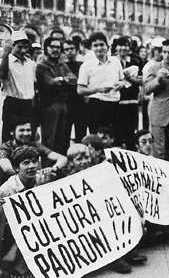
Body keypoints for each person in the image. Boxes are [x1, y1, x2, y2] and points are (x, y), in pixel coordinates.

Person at [0, 146, 41, 277]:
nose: (32, 166)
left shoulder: (42, 179)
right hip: (11, 236)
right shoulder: (6, 190)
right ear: (17, 168)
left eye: (35, 161)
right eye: (26, 163)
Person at [142, 38, 169, 161]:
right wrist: (158, 79)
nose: (167, 55)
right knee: (159, 151)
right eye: (165, 52)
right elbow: (146, 89)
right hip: (159, 114)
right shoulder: (154, 67)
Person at [77, 32, 126, 134]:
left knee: (114, 138)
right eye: (95, 45)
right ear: (91, 48)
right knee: (98, 140)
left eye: (102, 45)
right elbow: (80, 90)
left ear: (107, 46)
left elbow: (122, 80)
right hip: (96, 106)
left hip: (115, 105)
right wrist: (98, 89)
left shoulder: (116, 62)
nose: (99, 48)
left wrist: (121, 84)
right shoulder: (86, 65)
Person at [36, 37, 77, 155]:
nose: (55, 50)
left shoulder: (62, 65)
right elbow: (50, 83)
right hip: (49, 106)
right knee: (50, 139)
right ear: (46, 48)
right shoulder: (42, 66)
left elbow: (74, 80)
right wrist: (64, 80)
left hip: (63, 105)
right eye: (52, 47)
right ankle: (48, 168)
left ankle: (62, 168)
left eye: (58, 47)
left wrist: (61, 80)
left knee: (63, 138)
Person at [0, 120, 67, 181]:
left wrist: (53, 169)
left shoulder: (35, 145)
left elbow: (63, 158)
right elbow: (7, 169)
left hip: (33, 181)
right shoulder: (5, 147)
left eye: (28, 130)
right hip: (12, 185)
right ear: (12, 132)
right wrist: (34, 175)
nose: (26, 133)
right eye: (22, 130)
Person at [0, 30, 36, 142]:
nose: (23, 50)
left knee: (27, 136)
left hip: (28, 104)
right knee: (9, 137)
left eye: (25, 47)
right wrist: (5, 54)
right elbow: (2, 75)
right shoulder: (6, 61)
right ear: (13, 46)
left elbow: (33, 84)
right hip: (13, 103)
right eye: (19, 47)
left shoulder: (31, 63)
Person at [113, 37, 141, 148]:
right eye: (120, 45)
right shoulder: (112, 61)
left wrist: (129, 77)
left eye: (125, 45)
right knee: (117, 133)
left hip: (132, 101)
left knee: (130, 134)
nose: (123, 48)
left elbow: (141, 80)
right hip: (117, 102)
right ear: (115, 47)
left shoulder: (135, 61)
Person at [64, 39, 87, 143]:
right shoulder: (61, 66)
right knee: (64, 132)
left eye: (72, 49)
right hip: (66, 103)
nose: (69, 51)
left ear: (77, 50)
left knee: (81, 132)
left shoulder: (83, 65)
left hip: (81, 103)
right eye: (66, 49)